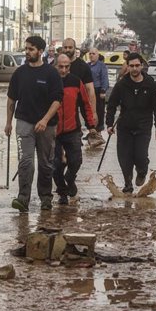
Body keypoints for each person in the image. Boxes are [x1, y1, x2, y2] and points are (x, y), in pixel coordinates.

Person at [5, 36, 63, 212]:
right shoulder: (20, 73)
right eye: (26, 49)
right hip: (24, 122)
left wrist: (45, 120)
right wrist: (8, 123)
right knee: (26, 161)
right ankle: (23, 199)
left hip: (47, 125)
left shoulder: (51, 73)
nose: (27, 52)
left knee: (45, 163)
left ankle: (46, 198)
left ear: (40, 51)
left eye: (31, 49)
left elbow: (57, 101)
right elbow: (11, 100)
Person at [106, 52, 156, 193]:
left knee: (140, 156)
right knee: (124, 158)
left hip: (143, 127)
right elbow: (111, 105)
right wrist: (109, 124)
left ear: (142, 66)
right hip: (124, 126)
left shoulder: (150, 84)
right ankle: (128, 184)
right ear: (128, 67)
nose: (135, 69)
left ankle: (142, 171)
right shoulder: (121, 85)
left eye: (137, 65)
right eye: (131, 66)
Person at [53, 54, 97, 205]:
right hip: (53, 131)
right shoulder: (49, 81)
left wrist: (91, 126)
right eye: (61, 66)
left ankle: (69, 179)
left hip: (73, 129)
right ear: (56, 65)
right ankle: (62, 193)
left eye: (67, 67)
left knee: (76, 160)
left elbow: (85, 104)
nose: (64, 70)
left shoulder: (76, 81)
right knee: (56, 164)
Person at [61, 38, 98, 137]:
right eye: (65, 47)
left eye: (70, 47)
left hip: (76, 108)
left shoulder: (83, 67)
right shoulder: (54, 66)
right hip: (58, 109)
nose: (68, 50)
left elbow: (90, 90)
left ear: (74, 48)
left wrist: (93, 113)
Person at [88, 46, 108, 140]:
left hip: (98, 90)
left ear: (97, 55)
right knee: (89, 110)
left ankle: (99, 131)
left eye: (93, 54)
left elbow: (104, 78)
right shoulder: (87, 65)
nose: (91, 55)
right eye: (90, 54)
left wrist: (103, 90)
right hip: (88, 91)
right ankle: (91, 131)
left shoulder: (101, 65)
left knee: (99, 111)